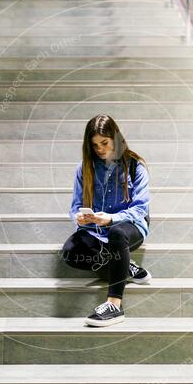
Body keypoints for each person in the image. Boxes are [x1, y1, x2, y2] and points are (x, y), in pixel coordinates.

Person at [61, 114, 151, 327]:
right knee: (70, 252)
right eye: (94, 145)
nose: (100, 149)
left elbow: (140, 208)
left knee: (117, 233)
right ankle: (124, 264)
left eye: (104, 143)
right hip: (95, 229)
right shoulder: (84, 168)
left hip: (129, 226)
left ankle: (114, 305)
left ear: (115, 139)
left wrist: (112, 219)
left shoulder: (135, 166)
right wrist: (80, 218)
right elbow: (75, 205)